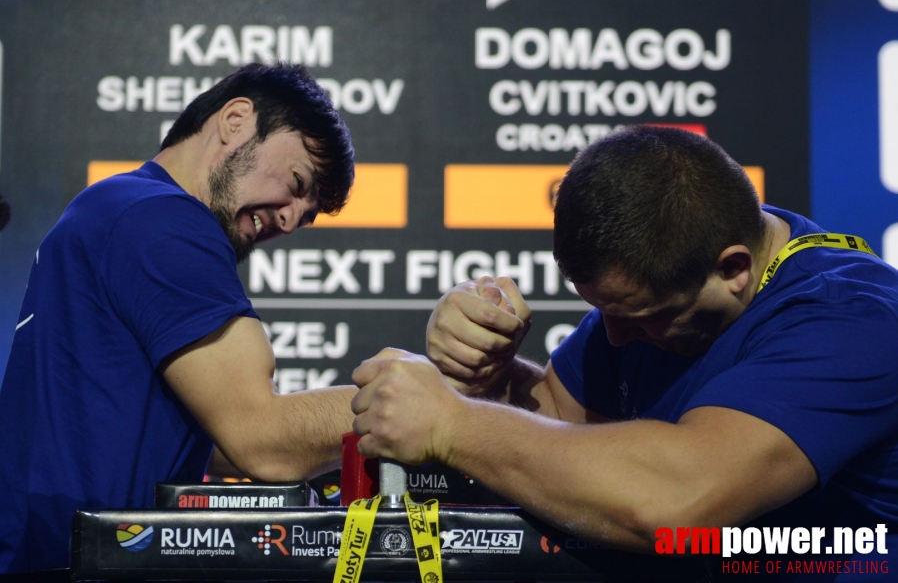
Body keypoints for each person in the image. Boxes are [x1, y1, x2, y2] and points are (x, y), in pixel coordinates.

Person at [351, 126, 898, 578]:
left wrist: (456, 424)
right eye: (602, 312)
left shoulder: (853, 319)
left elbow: (675, 502)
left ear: (732, 269)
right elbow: (565, 427)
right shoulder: (674, 259)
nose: (612, 337)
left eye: (642, 318)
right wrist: (493, 378)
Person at [0, 62, 356, 573]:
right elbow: (260, 438)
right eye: (298, 182)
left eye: (305, 215)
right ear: (236, 120)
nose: (289, 219)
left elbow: (204, 440)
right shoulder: (164, 221)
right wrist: (425, 403)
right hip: (74, 561)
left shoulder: (114, 203)